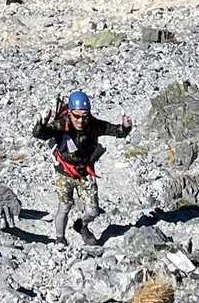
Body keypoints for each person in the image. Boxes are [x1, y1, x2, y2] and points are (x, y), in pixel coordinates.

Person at [33, 90, 132, 246]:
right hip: (64, 172)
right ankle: (60, 238)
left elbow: (116, 131)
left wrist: (126, 127)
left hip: (85, 172)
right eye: (77, 116)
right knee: (65, 206)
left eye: (85, 116)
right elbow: (40, 134)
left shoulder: (94, 125)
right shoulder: (62, 124)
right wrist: (42, 122)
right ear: (70, 112)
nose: (81, 120)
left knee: (93, 211)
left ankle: (81, 225)